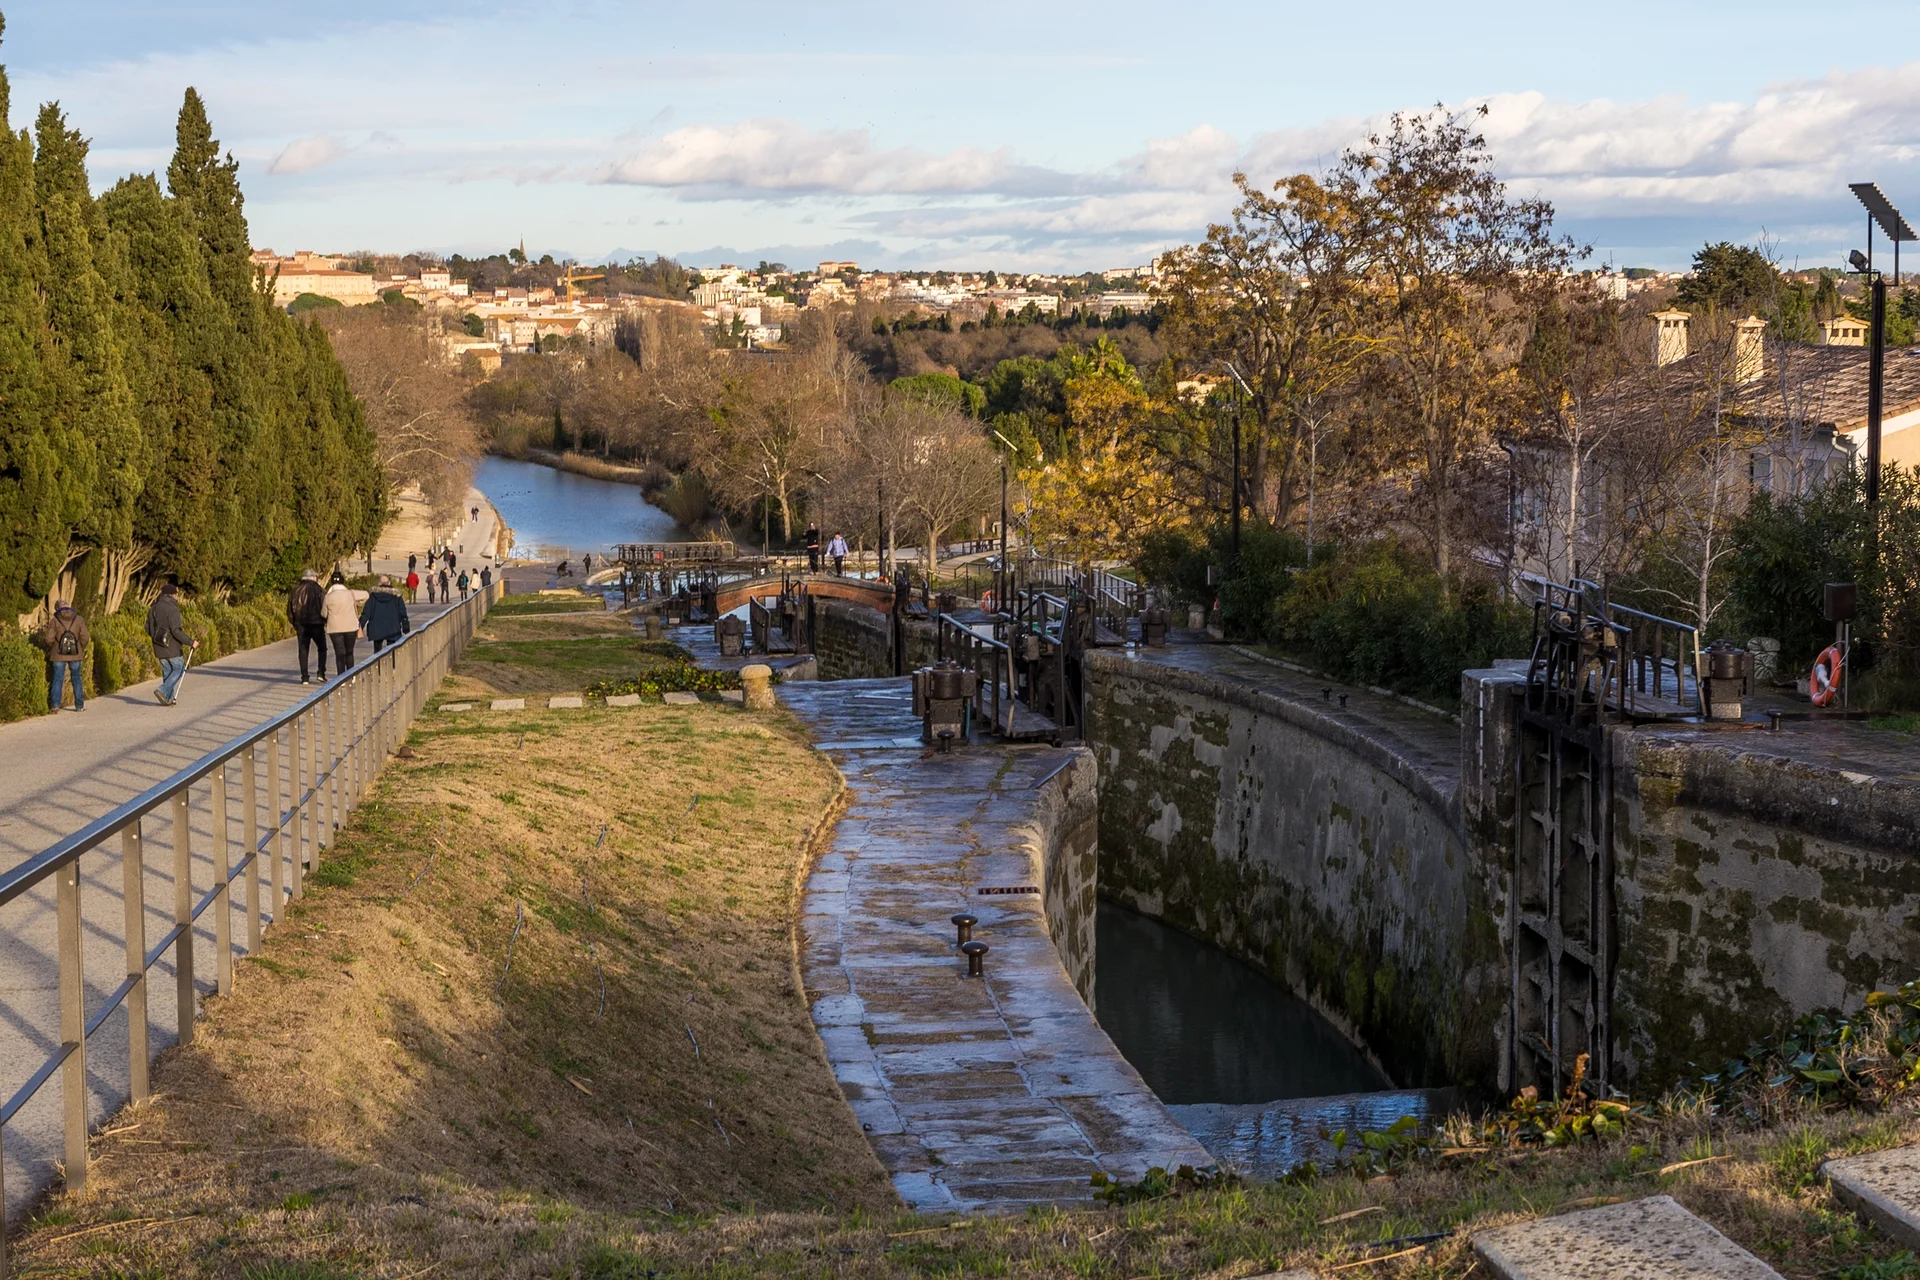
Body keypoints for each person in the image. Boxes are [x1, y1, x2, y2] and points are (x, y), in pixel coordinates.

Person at [145, 583, 197, 705]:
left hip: (158, 646)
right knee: (179, 669)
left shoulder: (154, 607)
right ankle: (162, 691)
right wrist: (191, 642)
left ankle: (167, 698)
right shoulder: (172, 609)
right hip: (172, 647)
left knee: (167, 672)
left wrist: (155, 637)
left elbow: (147, 627)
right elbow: (176, 630)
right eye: (175, 594)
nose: (176, 596)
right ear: (171, 595)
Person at [39, 599, 90, 712]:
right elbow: (85, 637)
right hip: (75, 654)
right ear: (68, 606)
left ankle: (55, 705)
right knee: (76, 679)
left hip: (58, 654)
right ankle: (79, 706)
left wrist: (54, 645)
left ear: (57, 609)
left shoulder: (55, 620)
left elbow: (49, 638)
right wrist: (80, 647)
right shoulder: (78, 619)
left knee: (57, 679)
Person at [287, 568, 328, 684]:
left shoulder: (295, 590)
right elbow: (324, 607)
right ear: (314, 577)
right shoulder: (319, 590)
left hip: (301, 624)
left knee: (303, 650)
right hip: (317, 624)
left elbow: (289, 610)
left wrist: (295, 623)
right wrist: (324, 620)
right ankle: (321, 672)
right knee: (322, 648)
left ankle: (304, 676)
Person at [322, 571, 361, 675]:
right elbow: (366, 594)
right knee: (349, 652)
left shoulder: (328, 597)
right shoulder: (350, 593)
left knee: (339, 653)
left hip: (335, 628)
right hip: (350, 627)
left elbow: (324, 613)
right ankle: (351, 675)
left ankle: (341, 677)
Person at [360, 576, 410, 653]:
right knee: (391, 650)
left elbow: (366, 613)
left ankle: (378, 664)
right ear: (389, 583)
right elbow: (402, 612)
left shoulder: (373, 596)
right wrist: (406, 628)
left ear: (378, 583)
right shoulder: (396, 596)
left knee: (377, 652)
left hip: (376, 628)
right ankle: (391, 664)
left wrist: (360, 626)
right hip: (393, 628)